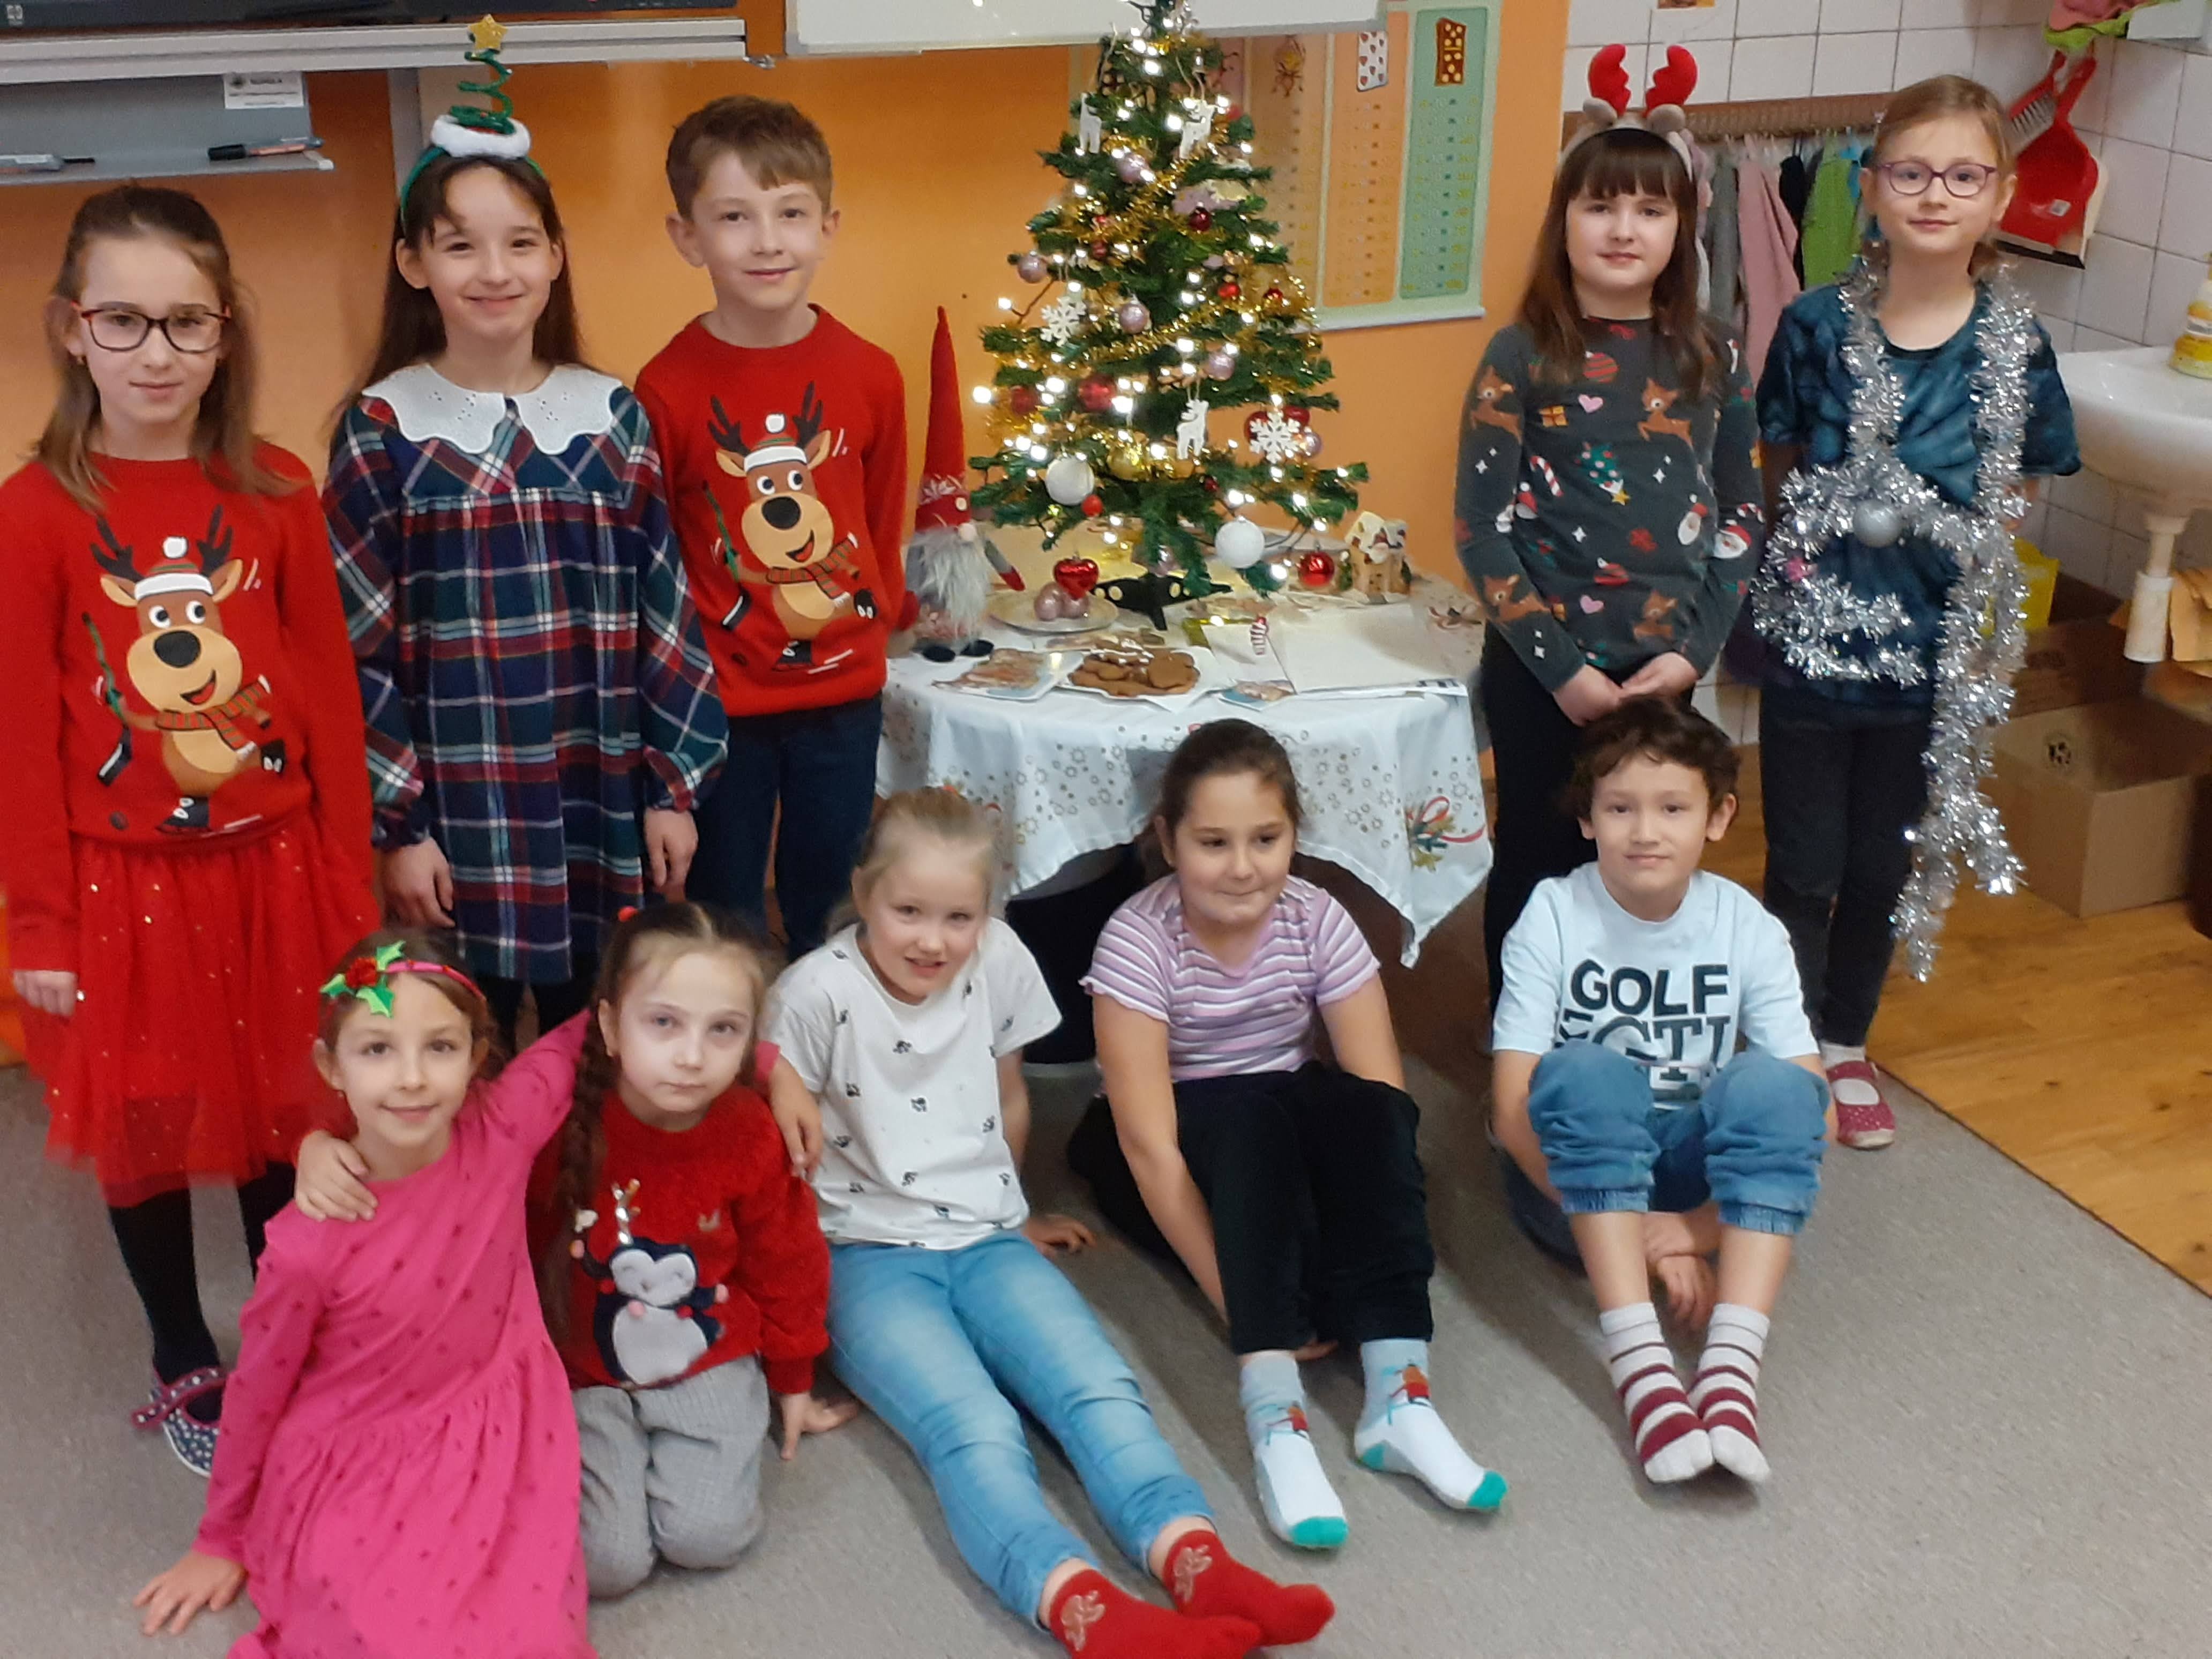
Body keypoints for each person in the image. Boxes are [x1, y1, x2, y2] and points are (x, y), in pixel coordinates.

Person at [768, 790, 1333, 1659]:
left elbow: (1006, 1096)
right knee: (973, 1427)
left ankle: (1196, 1558)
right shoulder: (813, 993)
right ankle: (1081, 1607)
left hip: (986, 1236)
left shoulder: (999, 957)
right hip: (862, 1255)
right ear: (864, 892)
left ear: (988, 911)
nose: (933, 941)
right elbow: (771, 1156)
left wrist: (1015, 1208)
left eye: (959, 917)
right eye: (908, 912)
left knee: (1097, 1386)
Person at [0, 184, 378, 1476]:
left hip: (276, 872)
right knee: (151, 1126)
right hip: (120, 889)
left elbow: (328, 703)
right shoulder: (35, 512)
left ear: (226, 333)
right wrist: (41, 925)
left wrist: (347, 889)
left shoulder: (275, 490)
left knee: (284, 1110)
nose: (155, 352)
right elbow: (24, 741)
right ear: (73, 327)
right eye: (124, 320)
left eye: (186, 322)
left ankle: (284, 1321)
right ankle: (181, 1346)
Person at [325, 51, 727, 1049]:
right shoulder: (382, 428)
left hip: (601, 803)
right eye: (460, 246)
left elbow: (666, 618)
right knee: (471, 1044)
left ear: (555, 257)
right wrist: (401, 826)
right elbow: (357, 651)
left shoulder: (613, 417)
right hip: (463, 820)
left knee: (602, 1042)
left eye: (519, 243)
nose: (495, 272)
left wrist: (672, 790)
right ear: (414, 263)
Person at [1071, 721, 1505, 1552]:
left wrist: (1365, 1209)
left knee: (1363, 1121)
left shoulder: (1316, 917)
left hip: (1279, 1108)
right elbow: (1149, 1149)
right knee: (1256, 1158)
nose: (1242, 866)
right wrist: (1246, 1307)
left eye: (1265, 839)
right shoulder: (1137, 938)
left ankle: (1401, 1398)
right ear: (1167, 839)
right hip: (1168, 1128)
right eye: (1213, 842)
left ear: (1294, 836)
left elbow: (1381, 1098)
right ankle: (1276, 1418)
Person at [1753, 74, 2079, 1148]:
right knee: (1803, 862)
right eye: (1912, 172)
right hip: (1814, 652)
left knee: (1880, 867)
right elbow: (1779, 464)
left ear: (2001, 196)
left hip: (1934, 668)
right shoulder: (1814, 327)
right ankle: (1786, 1046)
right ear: (1872, 185)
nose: (1936, 195)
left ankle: (1845, 1040)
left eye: (1964, 176)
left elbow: (2021, 488)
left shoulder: (2016, 347)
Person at [132, 933, 594, 1656]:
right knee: (378, 1635)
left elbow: (589, 1032)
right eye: (377, 1049)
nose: (411, 1078)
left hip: (498, 1434)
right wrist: (219, 1537)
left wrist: (766, 1060)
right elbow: (258, 1391)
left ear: (478, 1055)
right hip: (359, 1457)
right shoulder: (307, 1244)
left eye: (440, 1048)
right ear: (332, 1068)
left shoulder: (504, 1125)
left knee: (523, 1637)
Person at [1453, 51, 1762, 1010]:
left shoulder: (1713, 357)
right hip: (1545, 672)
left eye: (1650, 210)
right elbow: (1481, 530)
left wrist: (1691, 655)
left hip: (1665, 669)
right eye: (1600, 207)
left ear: (1681, 228)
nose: (1624, 229)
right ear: (1566, 222)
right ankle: (1523, 1039)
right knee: (1540, 855)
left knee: (1646, 860)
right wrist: (1565, 674)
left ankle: (1625, 1019)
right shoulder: (1520, 355)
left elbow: (1742, 515)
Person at [1490, 699, 1829, 1486]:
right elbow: (1509, 1111)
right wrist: (1640, 1230)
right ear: (1587, 820)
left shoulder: (1745, 924)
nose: (1646, 832)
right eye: (1620, 809)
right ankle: (1642, 1365)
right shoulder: (1551, 915)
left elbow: (1814, 1104)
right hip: (1571, 1176)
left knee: (1778, 1087)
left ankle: (1731, 1372)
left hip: (1687, 1172)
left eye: (1673, 808)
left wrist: (1694, 1230)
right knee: (1584, 1069)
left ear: (1718, 818)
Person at [637, 95, 913, 960]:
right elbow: (661, 558)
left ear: (828, 227)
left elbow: (880, 519)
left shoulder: (871, 374)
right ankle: (739, 1040)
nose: (767, 242)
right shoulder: (665, 389)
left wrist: (873, 629)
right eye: (734, 218)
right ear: (688, 237)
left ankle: (825, 1034)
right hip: (721, 707)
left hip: (843, 694)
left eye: (790, 214)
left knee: (830, 899)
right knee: (726, 912)